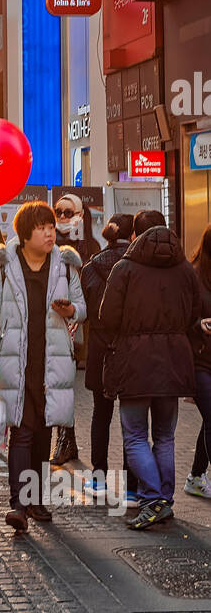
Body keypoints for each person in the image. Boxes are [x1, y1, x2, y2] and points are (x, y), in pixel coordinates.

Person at [0, 201, 86, 533]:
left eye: (51, 227)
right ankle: (19, 505)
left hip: (51, 362)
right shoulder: (4, 267)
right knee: (21, 432)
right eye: (42, 227)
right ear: (25, 234)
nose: (50, 232)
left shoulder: (65, 265)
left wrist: (71, 311)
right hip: (16, 361)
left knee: (43, 433)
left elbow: (82, 306)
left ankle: (37, 500)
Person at [99, 210, 202, 530]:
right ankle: (164, 501)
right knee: (165, 436)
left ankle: (154, 499)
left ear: (135, 235)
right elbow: (194, 315)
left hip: (134, 361)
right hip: (174, 361)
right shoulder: (185, 269)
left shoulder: (125, 269)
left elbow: (107, 317)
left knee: (134, 436)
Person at [80, 214, 137, 505]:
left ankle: (98, 479)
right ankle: (131, 486)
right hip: (129, 347)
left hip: (99, 346)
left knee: (100, 415)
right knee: (132, 419)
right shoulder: (137, 268)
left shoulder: (90, 267)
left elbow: (86, 310)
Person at [49, 193, 101, 466]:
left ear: (81, 214)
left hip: (83, 327)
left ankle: (67, 440)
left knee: (69, 387)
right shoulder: (50, 245)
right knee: (59, 385)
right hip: (56, 325)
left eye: (68, 212)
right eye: (58, 211)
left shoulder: (91, 247)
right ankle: (65, 439)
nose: (62, 216)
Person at [185, 222, 211, 499]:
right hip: (200, 361)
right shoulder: (194, 276)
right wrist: (198, 324)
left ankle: (195, 476)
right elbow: (183, 316)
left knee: (209, 420)